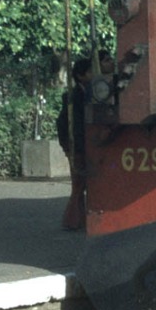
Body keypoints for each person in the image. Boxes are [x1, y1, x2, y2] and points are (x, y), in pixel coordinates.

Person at [57, 58, 92, 230]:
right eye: (90, 72)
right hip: (77, 146)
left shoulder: (88, 93)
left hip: (83, 145)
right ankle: (72, 220)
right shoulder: (73, 96)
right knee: (78, 185)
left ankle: (78, 219)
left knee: (83, 185)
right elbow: (63, 123)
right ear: (81, 75)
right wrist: (67, 146)